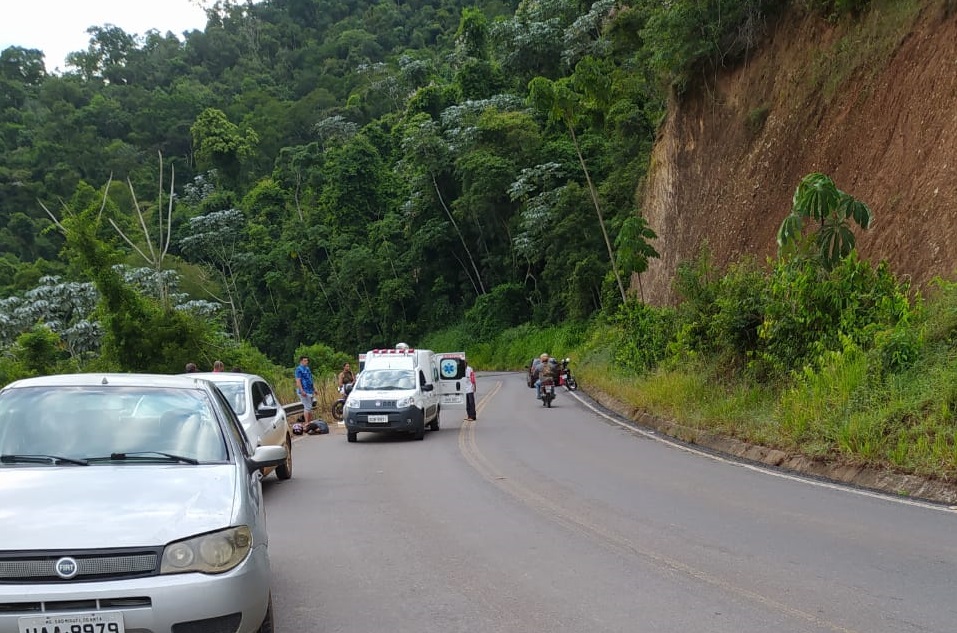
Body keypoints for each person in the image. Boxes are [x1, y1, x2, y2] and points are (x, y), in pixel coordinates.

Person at [295, 356, 315, 425]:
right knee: (307, 407)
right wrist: (301, 390)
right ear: (301, 361)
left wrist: (314, 389)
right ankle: (307, 423)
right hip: (304, 390)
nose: (306, 362)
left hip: (310, 390)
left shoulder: (307, 369)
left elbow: (310, 379)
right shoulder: (299, 369)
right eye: (305, 361)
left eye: (307, 361)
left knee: (309, 407)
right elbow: (298, 380)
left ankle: (309, 422)